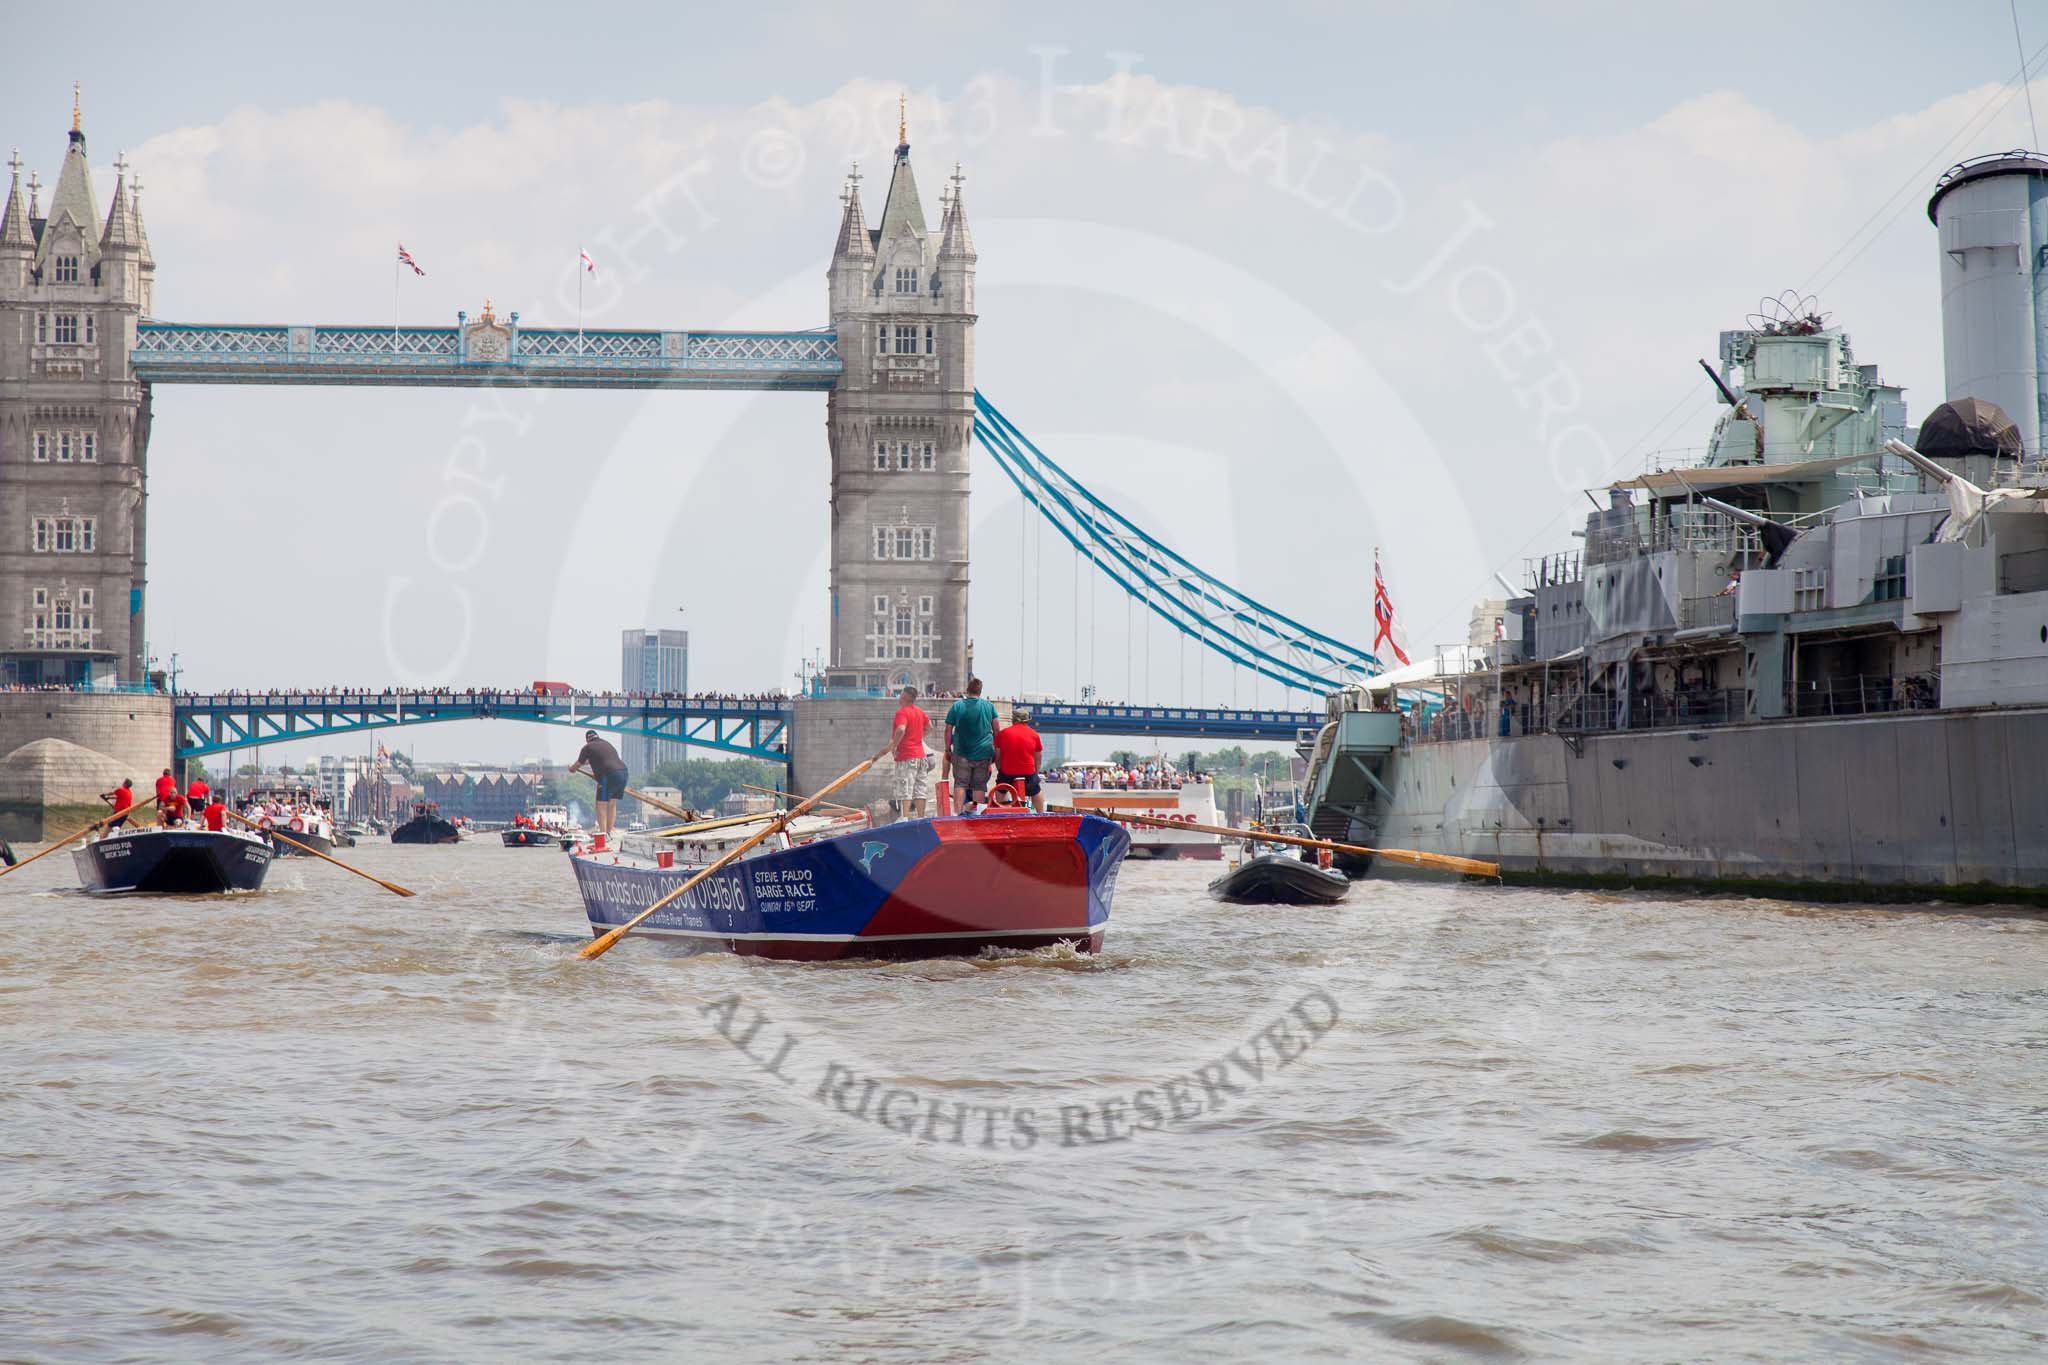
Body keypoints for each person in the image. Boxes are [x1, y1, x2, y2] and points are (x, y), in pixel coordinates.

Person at [942, 678, 1000, 814]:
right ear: (980, 691)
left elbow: (948, 729)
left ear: (968, 690)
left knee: (960, 783)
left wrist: (947, 748)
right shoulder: (989, 707)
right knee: (979, 785)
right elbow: (997, 729)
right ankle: (977, 814)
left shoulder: (957, 706)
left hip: (962, 752)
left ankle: (957, 814)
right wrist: (996, 750)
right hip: (984, 752)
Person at [569, 729, 628, 840]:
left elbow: (577, 765)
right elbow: (601, 759)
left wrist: (571, 769)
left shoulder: (587, 747)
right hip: (623, 772)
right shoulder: (606, 744)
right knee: (612, 803)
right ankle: (609, 833)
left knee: (600, 804)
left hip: (608, 774)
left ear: (587, 740)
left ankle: (603, 835)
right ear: (597, 736)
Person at [888, 685, 934, 822]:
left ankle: (904, 817)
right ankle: (921, 817)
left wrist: (894, 746)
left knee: (905, 787)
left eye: (901, 694)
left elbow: (901, 729)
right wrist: (919, 737)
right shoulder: (920, 712)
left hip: (907, 756)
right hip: (921, 756)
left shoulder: (902, 712)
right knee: (920, 788)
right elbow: (930, 727)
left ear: (904, 697)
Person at [993, 707, 1046, 813]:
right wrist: (1035, 772)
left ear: (1013, 719)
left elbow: (998, 756)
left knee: (1001, 790)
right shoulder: (1034, 734)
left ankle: (1004, 811)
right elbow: (1038, 757)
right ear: (1027, 720)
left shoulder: (1003, 734)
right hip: (1027, 771)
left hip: (1007, 771)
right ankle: (1040, 813)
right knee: (1035, 791)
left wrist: (1000, 769)